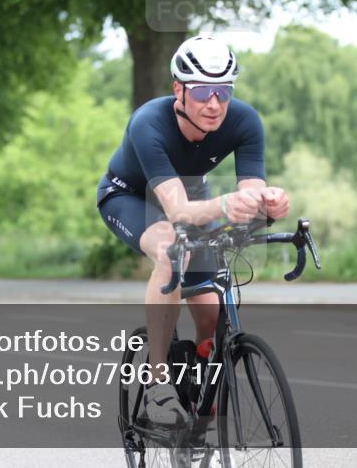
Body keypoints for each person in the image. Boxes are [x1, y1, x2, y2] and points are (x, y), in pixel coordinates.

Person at [97, 35, 290, 425]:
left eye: (223, 91)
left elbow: (249, 196)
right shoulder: (149, 122)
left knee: (211, 311)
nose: (214, 103)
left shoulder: (245, 120)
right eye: (202, 91)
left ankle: (199, 400)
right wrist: (223, 206)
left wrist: (269, 205)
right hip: (132, 198)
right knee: (170, 248)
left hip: (192, 196)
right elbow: (178, 210)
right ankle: (158, 383)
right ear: (179, 90)